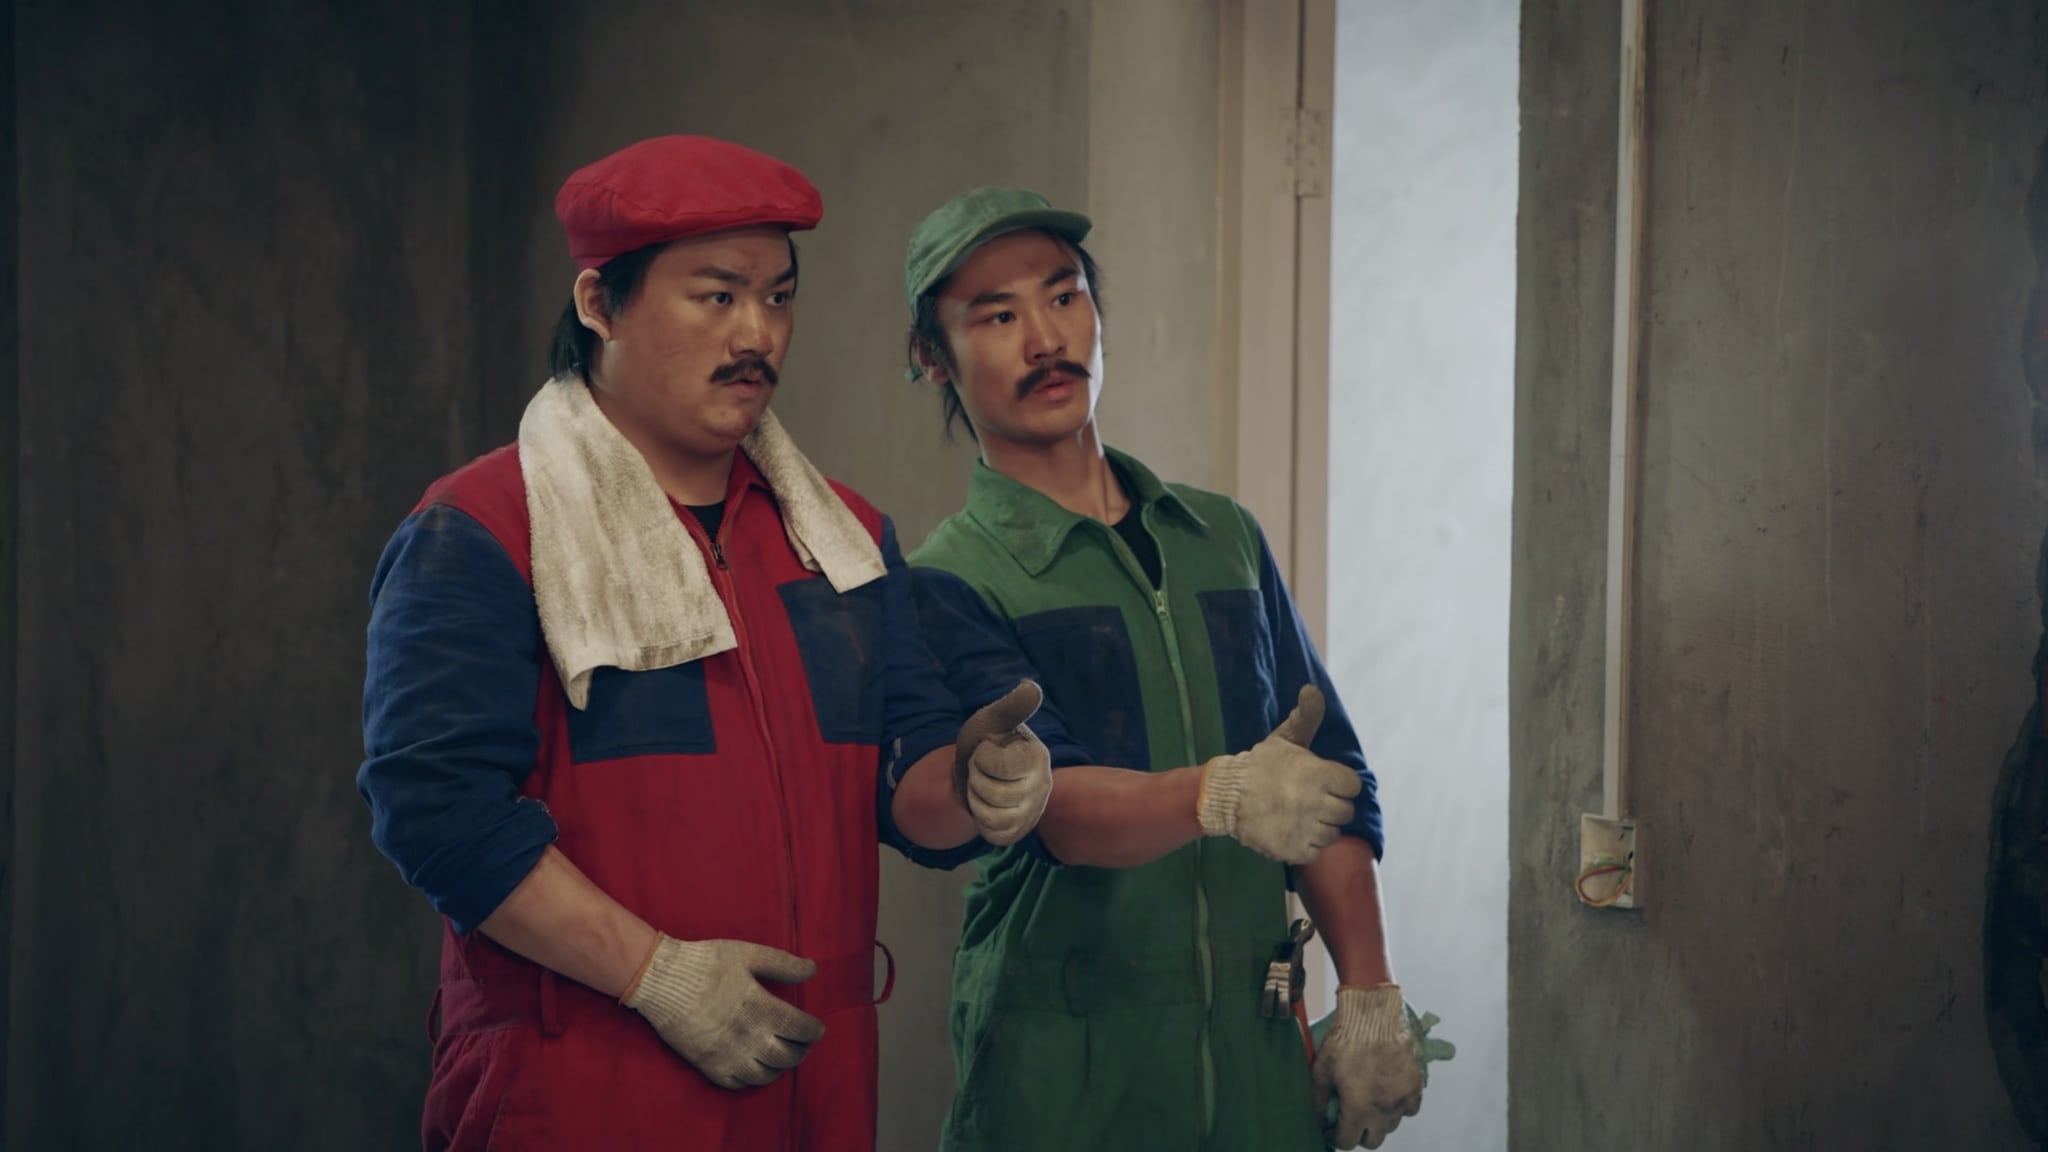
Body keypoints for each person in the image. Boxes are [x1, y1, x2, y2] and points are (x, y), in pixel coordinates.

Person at [357, 138, 1052, 1152]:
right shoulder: (485, 530)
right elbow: (438, 814)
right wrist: (655, 975)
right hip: (581, 1085)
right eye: (717, 296)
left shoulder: (843, 539)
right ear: (598, 304)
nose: (757, 334)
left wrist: (977, 783)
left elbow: (902, 781)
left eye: (778, 298)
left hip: (813, 1087)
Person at [887, 186, 1433, 1151]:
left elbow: (1328, 780)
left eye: (1064, 296)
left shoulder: (1222, 539)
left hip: (1257, 1073)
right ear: (934, 357)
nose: (1046, 339)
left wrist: (1369, 996)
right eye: (998, 316)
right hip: (1068, 1078)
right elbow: (1048, 806)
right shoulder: (950, 579)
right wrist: (1218, 794)